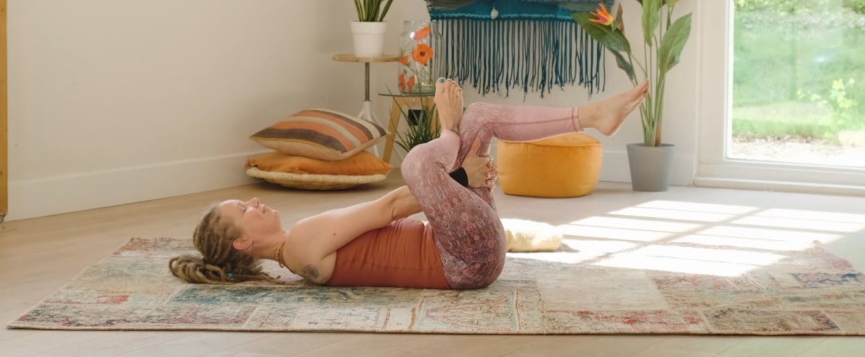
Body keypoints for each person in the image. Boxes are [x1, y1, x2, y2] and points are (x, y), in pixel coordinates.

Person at [169, 78, 649, 290]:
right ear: (243, 242)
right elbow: (391, 207)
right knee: (417, 162)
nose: (253, 201)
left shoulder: (299, 248)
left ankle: (591, 116)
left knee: (480, 117)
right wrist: (457, 169)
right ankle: (449, 129)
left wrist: (459, 179)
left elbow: (396, 211)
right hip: (465, 258)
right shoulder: (301, 245)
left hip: (467, 243)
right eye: (243, 210)